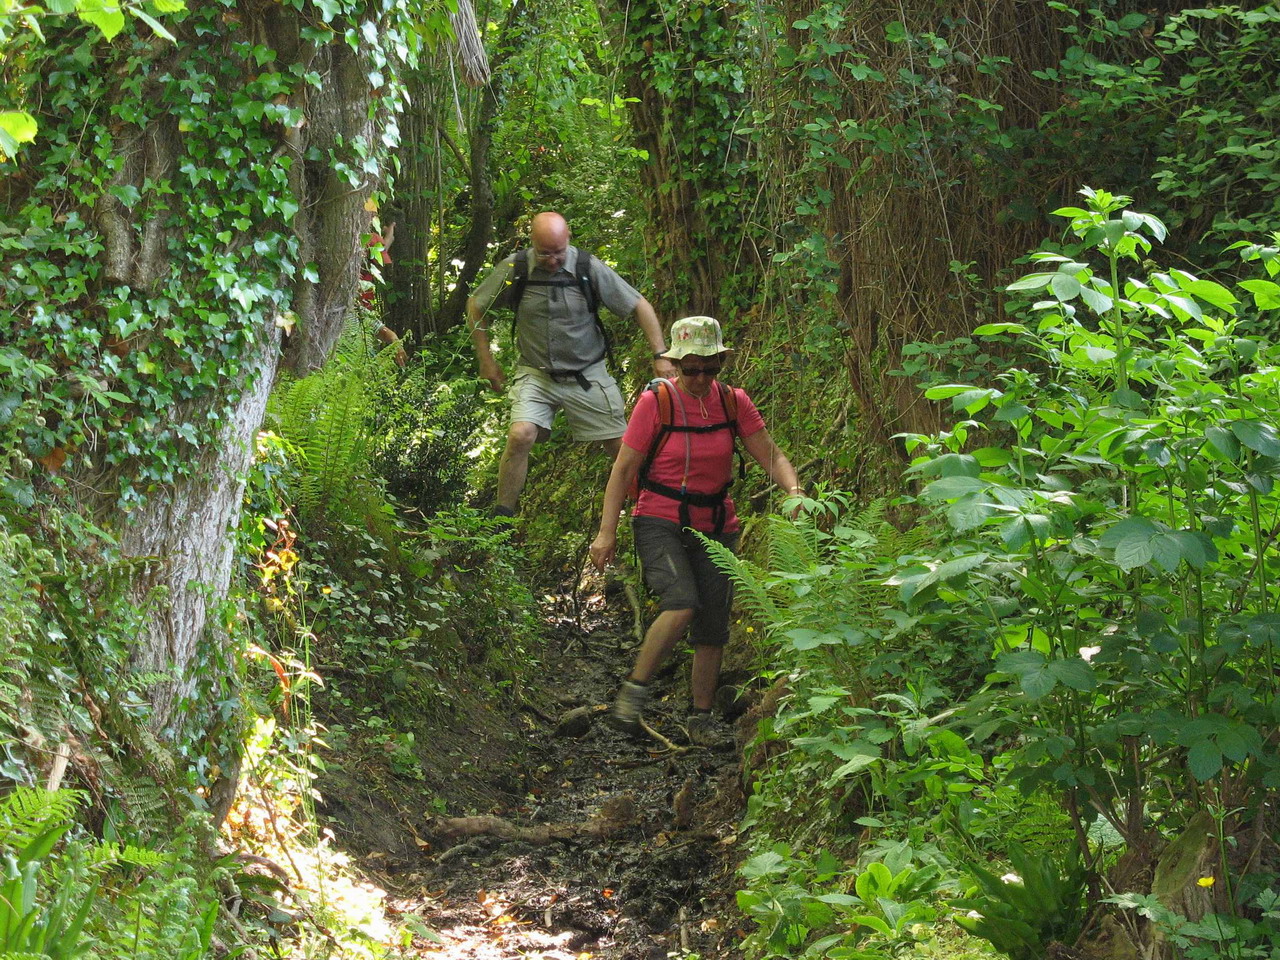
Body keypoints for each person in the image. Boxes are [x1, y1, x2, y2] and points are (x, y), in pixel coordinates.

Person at [588, 316, 802, 746]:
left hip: (718, 523)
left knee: (713, 621)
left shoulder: (733, 401)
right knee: (682, 601)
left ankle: (701, 716)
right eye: (691, 369)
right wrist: (606, 531)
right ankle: (630, 699)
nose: (701, 378)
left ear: (722, 362)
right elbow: (624, 467)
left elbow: (771, 455)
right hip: (659, 518)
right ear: (676, 364)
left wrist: (795, 491)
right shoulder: (657, 402)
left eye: (710, 368)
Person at [467, 211, 676, 517]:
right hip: (536, 373)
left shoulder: (587, 267)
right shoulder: (517, 267)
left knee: (621, 445)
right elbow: (476, 304)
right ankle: (502, 518)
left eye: (558, 252)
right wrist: (486, 361)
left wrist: (660, 355)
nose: (552, 260)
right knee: (520, 435)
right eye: (544, 253)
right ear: (532, 244)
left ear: (568, 242)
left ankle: (655, 508)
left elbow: (638, 305)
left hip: (587, 373)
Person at [361, 219, 406, 367]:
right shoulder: (370, 239)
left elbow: (381, 249)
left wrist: (389, 236)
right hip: (360, 309)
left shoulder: (365, 240)